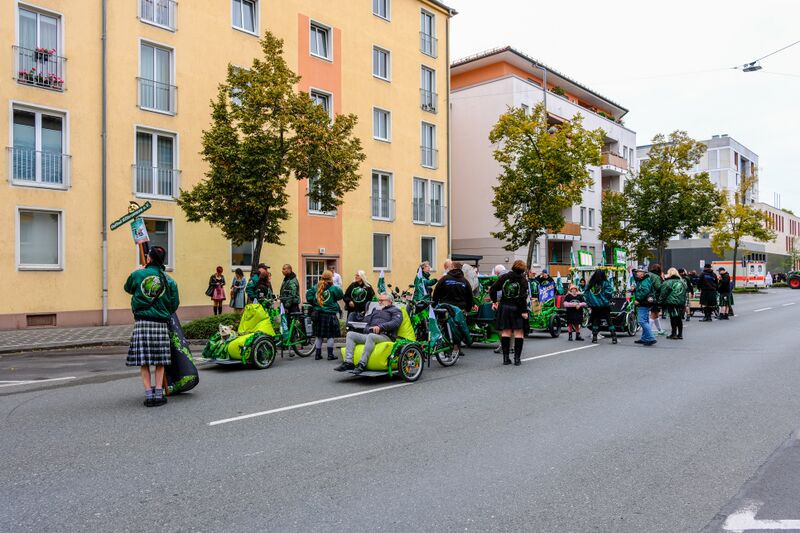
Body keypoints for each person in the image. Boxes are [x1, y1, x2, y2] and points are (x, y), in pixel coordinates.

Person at [124, 246, 179, 407]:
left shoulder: (138, 274)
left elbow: (127, 288)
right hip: (160, 323)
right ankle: (159, 393)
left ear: (149, 259)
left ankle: (149, 395)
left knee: (145, 361)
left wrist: (141, 271)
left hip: (142, 322)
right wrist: (163, 311)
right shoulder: (169, 280)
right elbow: (174, 304)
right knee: (160, 361)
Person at [336, 292, 402, 374]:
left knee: (371, 336)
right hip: (370, 335)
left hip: (385, 336)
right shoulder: (376, 311)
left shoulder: (396, 311)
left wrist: (380, 327)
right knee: (350, 334)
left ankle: (362, 364)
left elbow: (395, 323)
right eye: (379, 300)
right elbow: (365, 321)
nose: (379, 302)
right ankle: (349, 362)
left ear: (390, 301)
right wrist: (358, 318)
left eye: (382, 300)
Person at [489, 260, 529, 365]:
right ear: (523, 269)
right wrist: (524, 311)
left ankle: (506, 359)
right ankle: (517, 359)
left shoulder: (505, 277)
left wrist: (494, 302)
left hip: (504, 306)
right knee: (519, 333)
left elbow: (493, 289)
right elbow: (522, 297)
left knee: (506, 332)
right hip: (517, 308)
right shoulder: (523, 280)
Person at [306, 270, 345, 360]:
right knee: (330, 335)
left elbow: (308, 296)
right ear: (331, 278)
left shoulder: (316, 287)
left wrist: (315, 303)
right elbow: (340, 296)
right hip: (330, 315)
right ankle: (330, 355)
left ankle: (317, 354)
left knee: (319, 336)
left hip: (319, 314)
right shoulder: (334, 288)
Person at [584, 270, 616, 344]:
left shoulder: (590, 284)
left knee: (596, 320)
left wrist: (590, 303)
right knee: (609, 320)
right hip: (604, 305)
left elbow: (585, 294)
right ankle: (614, 337)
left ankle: (594, 338)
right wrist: (606, 300)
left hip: (595, 306)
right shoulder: (605, 283)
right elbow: (609, 293)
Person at [633, 268, 658, 346]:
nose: (637, 273)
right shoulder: (643, 280)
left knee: (642, 321)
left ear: (643, 273)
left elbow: (645, 291)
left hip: (644, 303)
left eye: (638, 272)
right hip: (645, 303)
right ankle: (644, 338)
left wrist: (638, 299)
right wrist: (634, 290)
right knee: (645, 320)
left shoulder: (644, 281)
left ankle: (651, 337)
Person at [660, 268, 687, 339]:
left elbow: (663, 293)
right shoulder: (682, 282)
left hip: (671, 302)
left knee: (673, 318)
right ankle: (680, 334)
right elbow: (685, 291)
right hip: (681, 302)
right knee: (679, 318)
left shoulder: (668, 282)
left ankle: (674, 333)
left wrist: (659, 302)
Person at [647, 264, 665, 336]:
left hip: (647, 296)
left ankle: (660, 330)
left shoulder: (648, 274)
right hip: (655, 297)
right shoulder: (656, 276)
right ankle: (648, 331)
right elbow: (658, 287)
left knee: (656, 313)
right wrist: (663, 282)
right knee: (653, 314)